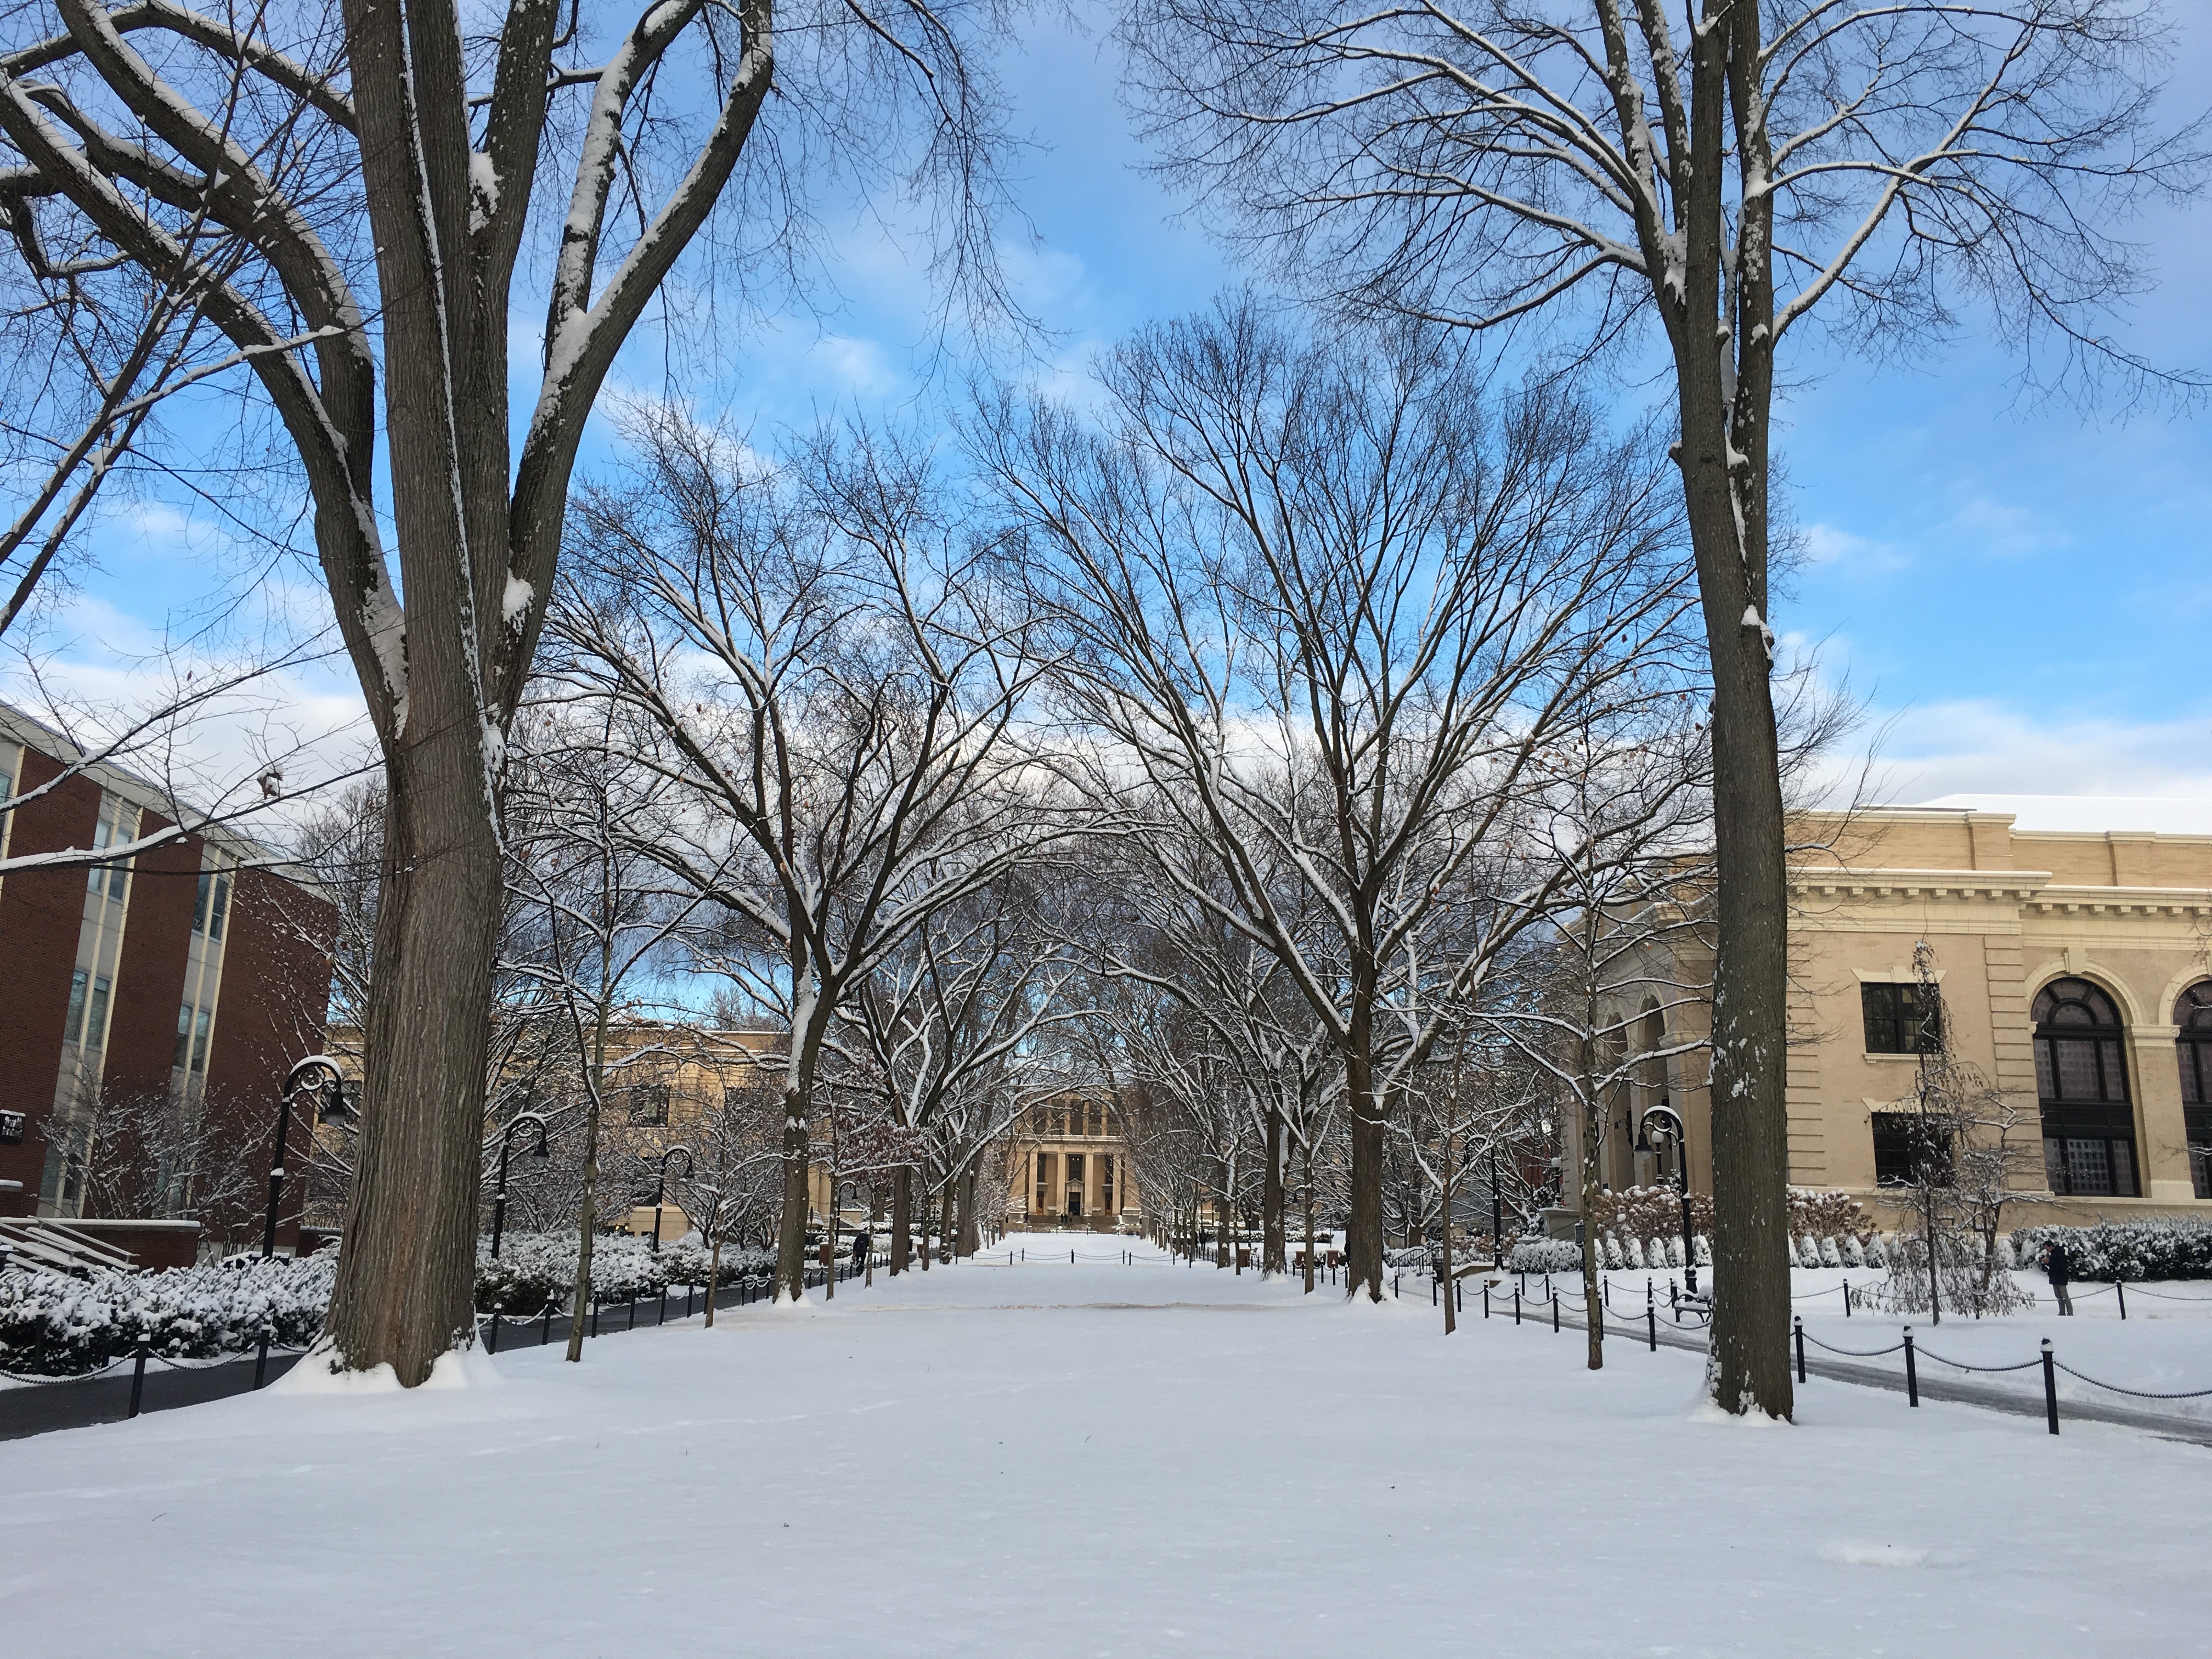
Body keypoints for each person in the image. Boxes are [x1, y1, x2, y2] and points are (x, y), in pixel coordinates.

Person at [2045, 1239, 2074, 1315]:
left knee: (2065, 1296)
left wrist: (2050, 1262)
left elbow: (2060, 1266)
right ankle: (2062, 1312)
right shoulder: (2053, 1254)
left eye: (2047, 1249)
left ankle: (2070, 1312)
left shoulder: (2059, 1254)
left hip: (2061, 1278)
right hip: (2054, 1278)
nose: (2047, 1251)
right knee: (2058, 1296)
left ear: (2051, 1246)